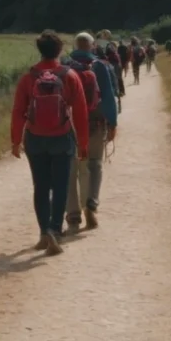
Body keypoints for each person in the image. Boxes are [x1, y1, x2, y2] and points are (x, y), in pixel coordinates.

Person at [11, 31, 90, 256]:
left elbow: (18, 111)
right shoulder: (70, 76)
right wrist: (83, 143)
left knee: (41, 186)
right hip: (62, 137)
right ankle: (56, 230)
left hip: (35, 138)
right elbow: (81, 113)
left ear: (39, 50)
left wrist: (16, 140)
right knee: (61, 185)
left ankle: (44, 233)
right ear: (59, 50)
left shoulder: (29, 78)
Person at [64, 32, 119, 233]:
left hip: (69, 126)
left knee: (71, 169)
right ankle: (91, 205)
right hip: (95, 123)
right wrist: (113, 123)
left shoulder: (65, 66)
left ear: (74, 45)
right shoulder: (101, 66)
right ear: (92, 46)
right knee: (95, 164)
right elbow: (109, 97)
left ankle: (72, 213)